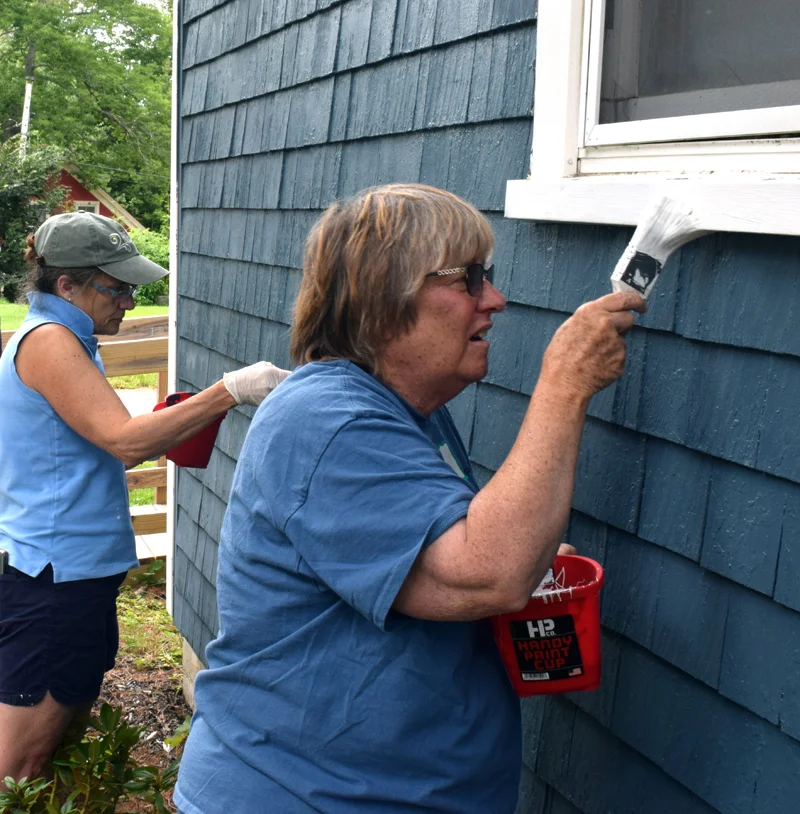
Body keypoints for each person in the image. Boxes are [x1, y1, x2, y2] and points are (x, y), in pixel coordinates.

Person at [175, 184, 645, 813]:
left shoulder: (405, 411)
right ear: (382, 303)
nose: (495, 300)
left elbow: (454, 565)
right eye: (469, 280)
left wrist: (524, 555)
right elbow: (489, 572)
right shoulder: (329, 421)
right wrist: (564, 383)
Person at [0, 212, 291, 783]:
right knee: (20, 767)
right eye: (117, 287)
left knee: (56, 748)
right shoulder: (51, 342)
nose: (129, 301)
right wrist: (230, 391)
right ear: (67, 285)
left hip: (70, 575)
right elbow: (123, 443)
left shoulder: (67, 337)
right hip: (55, 581)